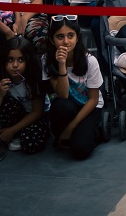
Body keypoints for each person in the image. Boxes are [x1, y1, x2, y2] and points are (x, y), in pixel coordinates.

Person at [44, 16, 104, 159]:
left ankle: (94, 131)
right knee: (61, 105)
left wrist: (70, 128)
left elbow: (93, 100)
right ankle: (68, 133)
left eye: (70, 36)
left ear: (77, 38)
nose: (66, 41)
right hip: (67, 106)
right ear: (52, 40)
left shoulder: (90, 60)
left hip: (88, 107)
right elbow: (63, 95)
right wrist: (61, 64)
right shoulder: (46, 60)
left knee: (80, 150)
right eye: (60, 37)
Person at [0, 36, 49, 154]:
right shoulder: (0, 79)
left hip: (34, 117)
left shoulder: (34, 79)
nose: (15, 65)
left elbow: (37, 112)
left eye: (21, 60)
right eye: (10, 60)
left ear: (28, 61)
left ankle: (15, 132)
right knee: (7, 105)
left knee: (31, 143)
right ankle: (6, 128)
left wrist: (12, 130)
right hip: (15, 114)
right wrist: (0, 94)